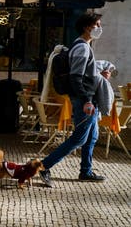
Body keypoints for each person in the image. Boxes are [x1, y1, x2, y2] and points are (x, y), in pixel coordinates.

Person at [39, 12, 107, 187]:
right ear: (87, 27)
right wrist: (87, 100)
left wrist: (98, 75)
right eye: (97, 24)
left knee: (92, 136)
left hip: (89, 99)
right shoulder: (82, 47)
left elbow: (83, 75)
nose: (100, 28)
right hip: (85, 100)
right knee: (79, 138)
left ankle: (86, 171)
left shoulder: (83, 46)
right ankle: (43, 166)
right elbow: (76, 78)